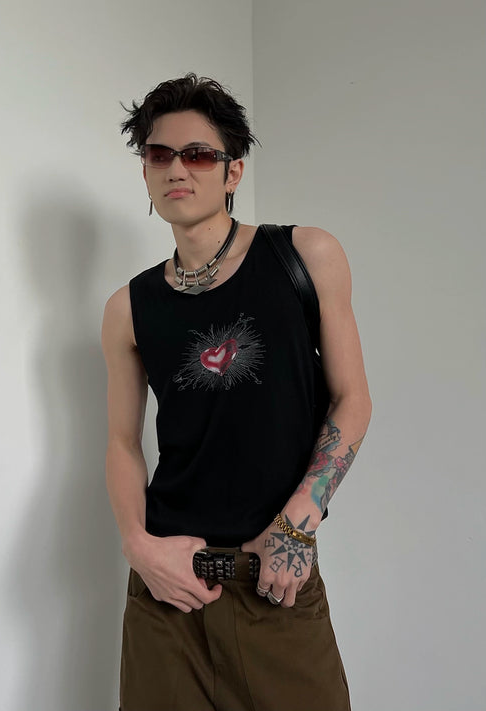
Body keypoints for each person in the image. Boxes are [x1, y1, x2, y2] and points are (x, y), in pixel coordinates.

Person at [101, 73, 372, 711]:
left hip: (275, 583)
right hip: (167, 594)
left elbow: (353, 400)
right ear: (145, 172)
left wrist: (297, 525)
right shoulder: (127, 308)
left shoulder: (304, 255)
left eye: (198, 154)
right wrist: (137, 545)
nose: (176, 169)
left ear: (233, 171)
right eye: (159, 155)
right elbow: (120, 441)